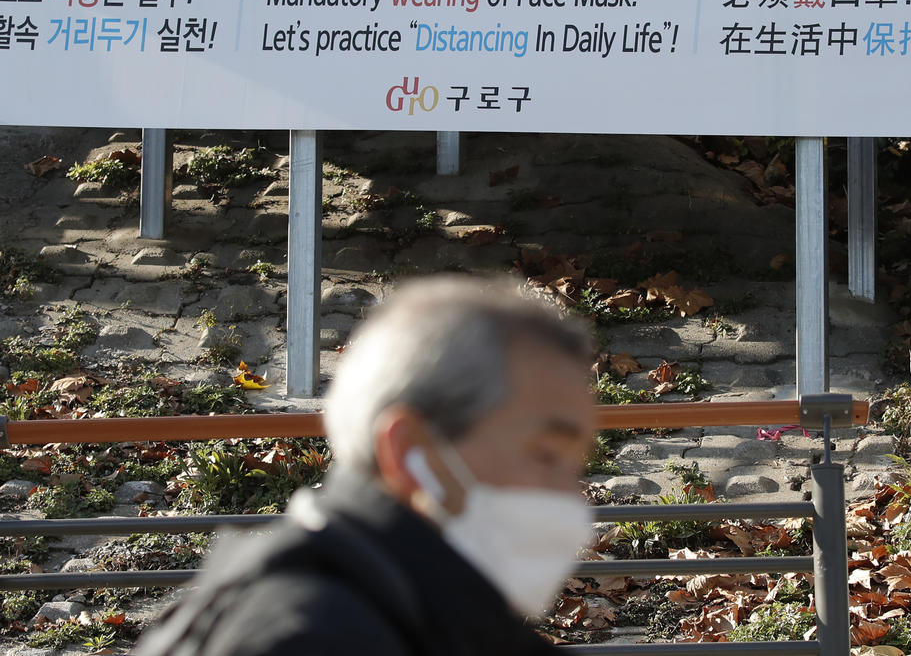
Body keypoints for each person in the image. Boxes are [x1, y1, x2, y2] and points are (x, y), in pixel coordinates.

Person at [135, 275, 596, 655]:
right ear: (411, 451)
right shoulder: (314, 636)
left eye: (576, 467)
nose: (575, 502)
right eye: (546, 454)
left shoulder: (404, 608)